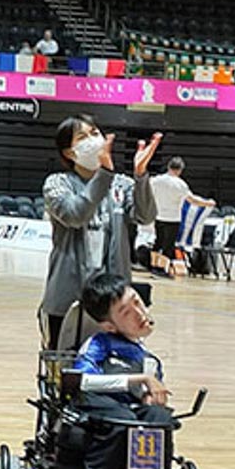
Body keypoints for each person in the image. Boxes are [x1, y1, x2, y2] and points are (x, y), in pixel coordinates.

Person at [63, 273, 178, 469]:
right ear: (109, 325)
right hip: (95, 406)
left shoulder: (149, 359)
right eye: (127, 312)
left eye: (138, 302)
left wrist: (151, 399)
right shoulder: (99, 344)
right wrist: (140, 380)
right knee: (122, 419)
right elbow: (84, 381)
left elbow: (148, 396)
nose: (139, 312)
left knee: (158, 418)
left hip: (129, 410)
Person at [41, 116, 160, 350]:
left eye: (95, 132)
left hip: (115, 304)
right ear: (69, 152)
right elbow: (75, 215)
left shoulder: (121, 184)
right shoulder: (57, 183)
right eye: (82, 137)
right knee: (64, 370)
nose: (93, 140)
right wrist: (103, 174)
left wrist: (141, 175)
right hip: (67, 298)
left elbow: (145, 216)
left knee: (113, 367)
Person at [149, 157, 214, 273]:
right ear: (180, 170)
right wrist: (208, 203)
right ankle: (161, 269)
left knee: (158, 242)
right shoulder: (181, 184)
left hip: (158, 216)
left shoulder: (156, 180)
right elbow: (192, 200)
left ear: (168, 166)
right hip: (173, 218)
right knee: (168, 245)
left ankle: (153, 266)